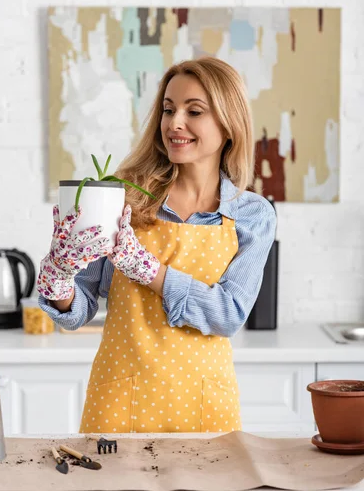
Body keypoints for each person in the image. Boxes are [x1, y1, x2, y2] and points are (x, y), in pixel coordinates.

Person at [37, 56, 276, 434]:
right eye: (168, 109)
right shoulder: (123, 196)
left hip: (205, 404)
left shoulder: (252, 215)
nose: (174, 123)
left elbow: (229, 313)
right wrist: (59, 275)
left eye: (193, 110)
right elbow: (79, 306)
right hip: (120, 399)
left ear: (228, 123)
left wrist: (148, 270)